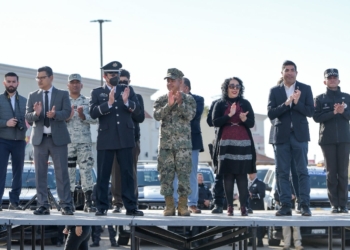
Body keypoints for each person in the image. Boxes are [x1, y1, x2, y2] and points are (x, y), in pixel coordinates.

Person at [89, 61, 143, 216]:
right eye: (112, 74)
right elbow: (93, 113)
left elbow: (139, 113)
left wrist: (127, 102)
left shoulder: (128, 90)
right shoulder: (97, 92)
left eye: (117, 74)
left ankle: (131, 207)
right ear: (104, 76)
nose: (115, 77)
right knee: (104, 174)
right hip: (106, 138)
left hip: (125, 138)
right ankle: (102, 206)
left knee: (127, 174)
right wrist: (109, 104)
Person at [25, 66, 73, 215]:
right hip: (40, 140)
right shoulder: (33, 95)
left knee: (62, 173)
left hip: (58, 139)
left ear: (51, 78)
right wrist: (36, 113)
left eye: (42, 77)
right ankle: (43, 205)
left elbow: (67, 112)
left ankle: (65, 205)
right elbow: (27, 116)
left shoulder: (62, 94)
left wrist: (55, 114)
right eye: (37, 78)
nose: (39, 80)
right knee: (40, 173)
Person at [268, 60, 314, 217]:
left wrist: (297, 102)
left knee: (302, 171)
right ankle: (286, 205)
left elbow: (310, 112)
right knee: (282, 172)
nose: (289, 72)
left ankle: (304, 204)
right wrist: (286, 104)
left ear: (296, 72)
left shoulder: (305, 89)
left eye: (292, 70)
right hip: (281, 136)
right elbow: (271, 113)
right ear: (282, 73)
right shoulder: (275, 91)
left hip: (299, 136)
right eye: (286, 70)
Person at [153, 68, 196, 216]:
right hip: (166, 146)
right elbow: (157, 115)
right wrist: (169, 105)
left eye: (173, 80)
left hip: (183, 146)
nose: (169, 83)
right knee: (166, 176)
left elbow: (190, 115)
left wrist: (180, 103)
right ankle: (169, 205)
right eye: (168, 80)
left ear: (180, 81)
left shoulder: (189, 99)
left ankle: (183, 206)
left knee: (184, 175)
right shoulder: (161, 100)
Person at [212, 77, 256, 216]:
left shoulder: (245, 103)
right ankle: (229, 206)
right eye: (232, 85)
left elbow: (252, 123)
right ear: (226, 88)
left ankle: (243, 206)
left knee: (241, 174)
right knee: (228, 174)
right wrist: (229, 115)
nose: (235, 88)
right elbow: (215, 122)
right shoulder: (220, 104)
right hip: (226, 142)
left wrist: (244, 119)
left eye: (237, 86)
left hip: (243, 142)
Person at [313, 68, 350, 214]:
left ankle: (344, 204)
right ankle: (334, 204)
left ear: (339, 80)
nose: (332, 79)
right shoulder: (320, 98)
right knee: (331, 173)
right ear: (325, 81)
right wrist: (333, 112)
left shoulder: (347, 97)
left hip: (344, 139)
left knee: (342, 172)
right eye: (330, 78)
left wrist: (343, 112)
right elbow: (316, 118)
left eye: (335, 77)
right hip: (327, 140)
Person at [111, 69, 145, 214]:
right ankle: (117, 203)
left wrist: (128, 103)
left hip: (132, 140)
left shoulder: (137, 97)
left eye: (125, 82)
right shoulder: (111, 96)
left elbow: (140, 117)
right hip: (115, 140)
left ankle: (132, 202)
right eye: (120, 81)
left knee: (131, 172)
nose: (123, 84)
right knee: (116, 172)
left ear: (129, 82)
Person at [66, 73, 97, 213]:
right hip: (67, 143)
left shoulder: (87, 101)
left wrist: (84, 116)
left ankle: (88, 202)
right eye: (72, 82)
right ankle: (69, 202)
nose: (75, 85)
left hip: (84, 142)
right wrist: (67, 117)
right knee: (69, 172)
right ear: (68, 85)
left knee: (86, 171)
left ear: (81, 85)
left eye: (77, 82)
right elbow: (56, 119)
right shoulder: (63, 101)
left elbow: (95, 119)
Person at [173, 77, 204, 214]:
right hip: (176, 141)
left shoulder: (198, 100)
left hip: (193, 141)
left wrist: (181, 102)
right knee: (174, 173)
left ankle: (192, 203)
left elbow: (194, 115)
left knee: (191, 173)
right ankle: (174, 204)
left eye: (178, 86)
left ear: (186, 88)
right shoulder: (170, 99)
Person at [0, 72, 27, 211]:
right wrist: (6, 123)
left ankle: (14, 202)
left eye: (13, 81)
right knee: (1, 172)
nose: (11, 84)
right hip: (2, 141)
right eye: (8, 81)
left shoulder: (24, 101)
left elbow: (29, 119)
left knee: (18, 173)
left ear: (18, 83)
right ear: (4, 83)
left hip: (19, 141)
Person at [207, 98, 225, 214]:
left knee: (239, 175)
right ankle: (218, 204)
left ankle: (245, 205)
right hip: (220, 142)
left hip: (237, 143)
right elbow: (210, 121)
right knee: (219, 175)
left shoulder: (241, 102)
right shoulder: (217, 103)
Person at [248, 173, 265, 247]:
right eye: (248, 174)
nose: (249, 176)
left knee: (259, 226)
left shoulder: (259, 183)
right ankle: (251, 240)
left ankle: (260, 241)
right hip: (250, 207)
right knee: (249, 225)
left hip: (258, 207)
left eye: (251, 174)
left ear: (255, 174)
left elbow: (262, 194)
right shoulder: (248, 183)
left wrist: (253, 196)